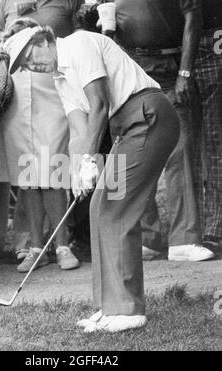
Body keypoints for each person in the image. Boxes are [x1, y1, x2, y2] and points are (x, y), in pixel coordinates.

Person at [7, 26, 180, 332]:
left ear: (44, 41)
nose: (32, 66)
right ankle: (108, 306)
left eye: (30, 57)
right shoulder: (61, 78)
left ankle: (128, 310)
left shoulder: (78, 44)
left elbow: (98, 105)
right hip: (128, 128)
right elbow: (78, 127)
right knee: (99, 207)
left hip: (148, 115)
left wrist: (89, 160)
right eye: (25, 66)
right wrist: (76, 172)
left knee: (115, 208)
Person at [107, 0, 215, 262]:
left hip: (169, 67)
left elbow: (193, 19)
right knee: (133, 154)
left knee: (181, 152)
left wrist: (185, 73)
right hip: (128, 68)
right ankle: (149, 239)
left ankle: (184, 240)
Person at [0, 0, 84, 272]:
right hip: (15, 98)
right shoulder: (6, 6)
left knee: (52, 175)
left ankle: (62, 245)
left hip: (49, 95)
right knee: (28, 179)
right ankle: (37, 248)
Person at [193, 0, 222, 255]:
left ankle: (214, 229)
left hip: (215, 45)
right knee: (181, 151)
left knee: (216, 144)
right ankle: (186, 234)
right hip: (173, 52)